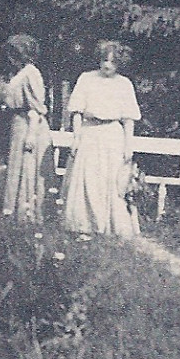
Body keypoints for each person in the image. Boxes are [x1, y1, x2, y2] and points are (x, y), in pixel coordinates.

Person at [62, 40, 142, 238]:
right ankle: (85, 225)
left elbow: (129, 118)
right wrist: (76, 138)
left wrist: (128, 146)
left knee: (111, 182)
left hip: (112, 135)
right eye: (104, 60)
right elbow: (77, 112)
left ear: (119, 64)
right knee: (89, 179)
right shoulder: (86, 79)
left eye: (113, 62)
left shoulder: (124, 84)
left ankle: (110, 227)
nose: (107, 65)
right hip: (90, 133)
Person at [0, 34, 50, 223]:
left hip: (29, 125)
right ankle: (14, 213)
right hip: (18, 123)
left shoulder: (31, 73)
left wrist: (31, 135)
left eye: (12, 54)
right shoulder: (20, 73)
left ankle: (28, 215)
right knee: (17, 167)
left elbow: (36, 107)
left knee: (28, 168)